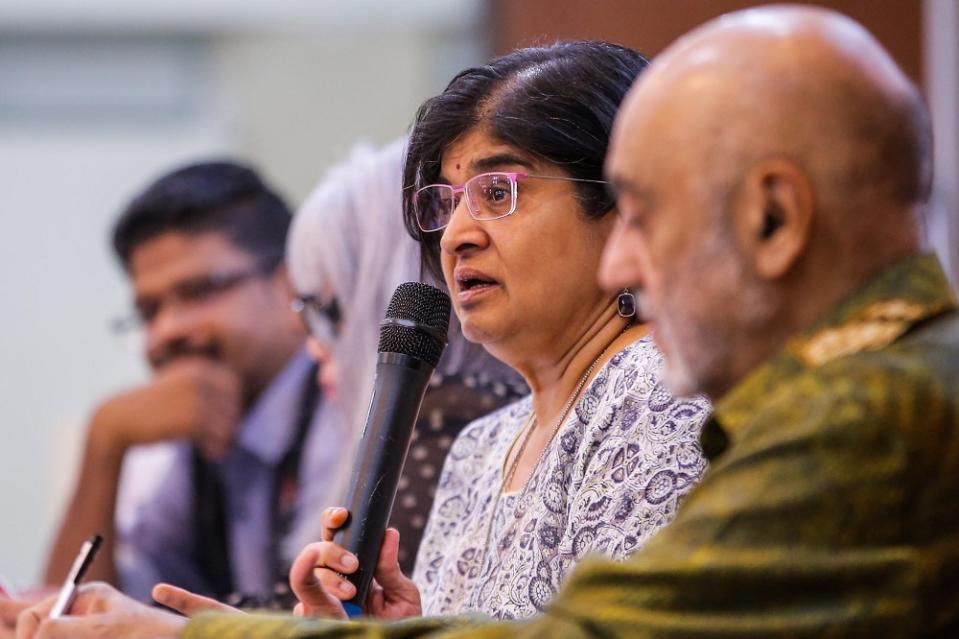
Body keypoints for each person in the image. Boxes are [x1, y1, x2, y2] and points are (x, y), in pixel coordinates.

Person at [11, 39, 713, 637]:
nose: (458, 234)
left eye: (498, 192)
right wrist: (379, 628)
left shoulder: (664, 391)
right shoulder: (482, 445)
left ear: (621, 202)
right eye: (444, 201)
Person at [41, 161, 352, 607]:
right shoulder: (192, 438)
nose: (166, 330)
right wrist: (103, 445)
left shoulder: (348, 408)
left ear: (291, 285)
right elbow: (62, 618)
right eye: (149, 311)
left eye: (199, 290)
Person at [284, 138, 527, 573]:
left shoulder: (446, 421)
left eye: (324, 310)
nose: (313, 344)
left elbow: (317, 614)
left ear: (387, 293)